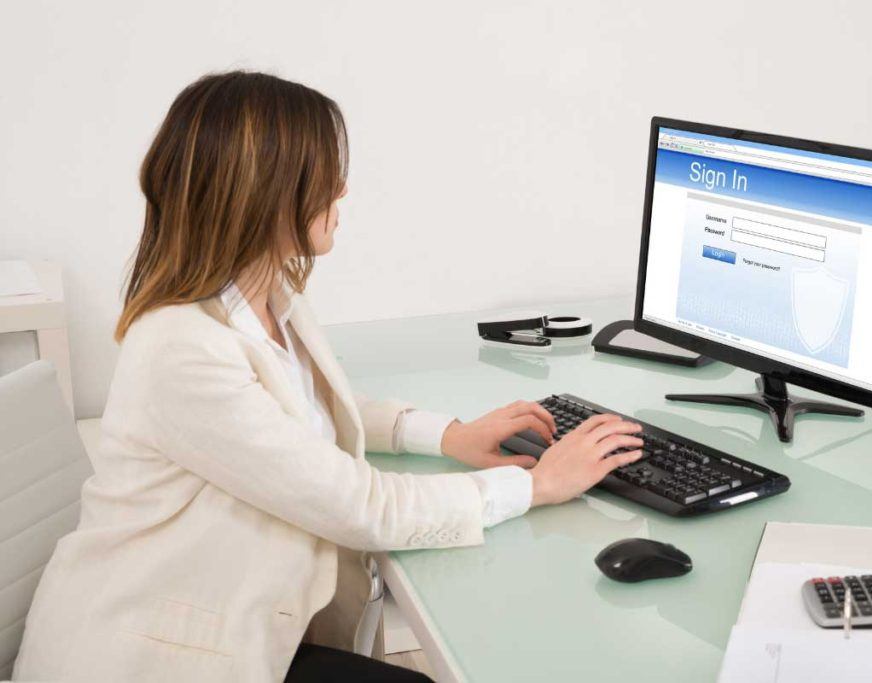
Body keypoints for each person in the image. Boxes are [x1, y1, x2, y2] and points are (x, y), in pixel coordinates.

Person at [13, 71, 645, 682]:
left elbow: (298, 412)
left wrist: (446, 435)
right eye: (325, 176)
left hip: (229, 620)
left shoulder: (265, 296)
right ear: (265, 194)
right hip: (153, 657)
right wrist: (533, 487)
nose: (342, 192)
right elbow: (360, 508)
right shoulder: (182, 347)